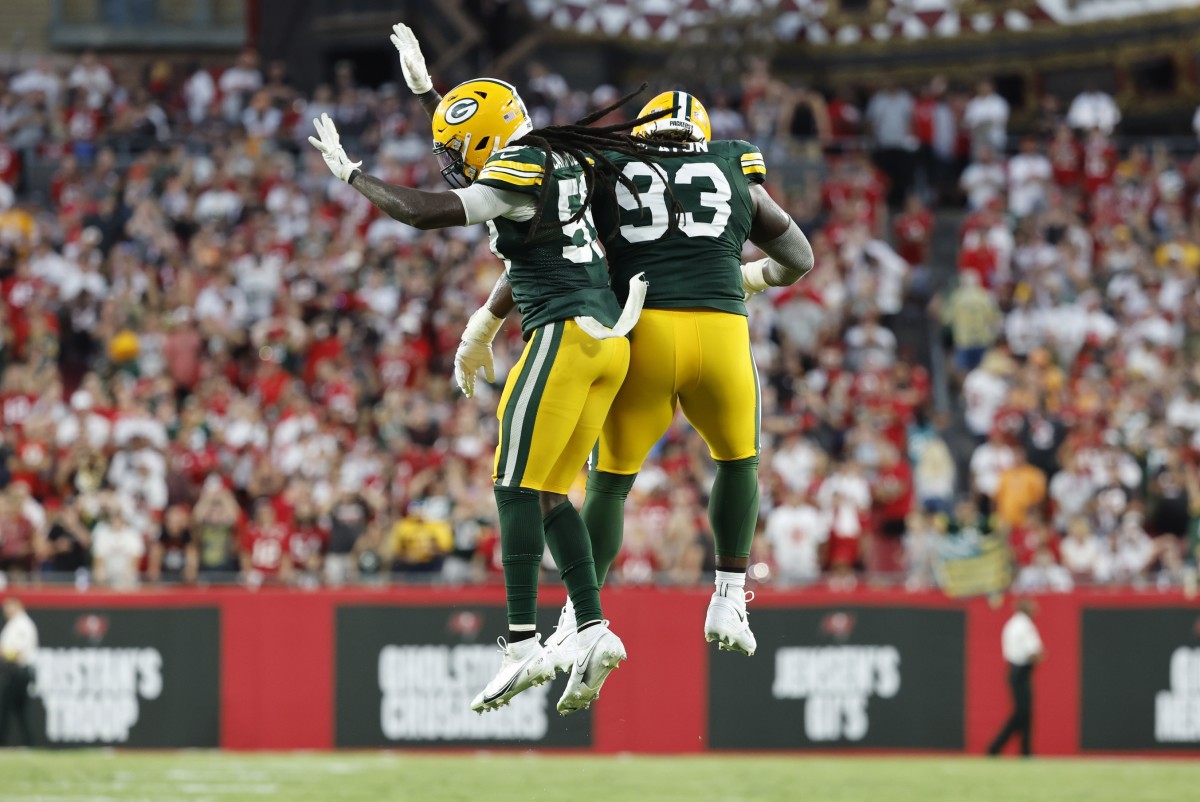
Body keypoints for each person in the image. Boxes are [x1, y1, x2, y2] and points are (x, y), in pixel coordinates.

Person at [310, 24, 663, 715]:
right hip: (610, 342)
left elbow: (425, 211)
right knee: (550, 492)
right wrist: (427, 93)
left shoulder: (514, 172)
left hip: (563, 335)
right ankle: (591, 628)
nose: (448, 156)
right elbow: (477, 144)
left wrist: (353, 175)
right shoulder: (554, 154)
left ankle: (523, 643)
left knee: (510, 483)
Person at [988, 597, 1044, 756]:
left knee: (1025, 713)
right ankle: (995, 747)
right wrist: (1040, 656)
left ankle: (1025, 751)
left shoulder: (1011, 623)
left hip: (1014, 671)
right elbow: (1034, 652)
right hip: (1021, 671)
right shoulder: (1025, 625)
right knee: (1022, 713)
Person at [0, 597, 38, 747]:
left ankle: (26, 744)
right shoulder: (14, 623)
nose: (5, 609)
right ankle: (29, 744)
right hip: (12, 672)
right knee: (17, 711)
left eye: (8, 606)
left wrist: (3, 653)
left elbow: (17, 652)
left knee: (9, 710)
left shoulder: (23, 624)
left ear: (17, 605)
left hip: (18, 673)